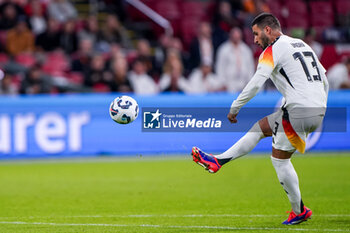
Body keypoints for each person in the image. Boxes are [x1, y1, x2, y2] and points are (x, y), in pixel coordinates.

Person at [192, 13, 329, 225]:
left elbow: (256, 83)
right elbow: (324, 78)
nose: (255, 39)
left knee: (280, 160)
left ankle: (299, 210)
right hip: (317, 109)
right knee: (261, 127)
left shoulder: (271, 50)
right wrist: (319, 105)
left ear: (268, 30)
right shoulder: (300, 43)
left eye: (256, 34)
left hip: (299, 110)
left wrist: (235, 108)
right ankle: (218, 160)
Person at [215, 27, 255, 93]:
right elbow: (220, 67)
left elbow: (250, 67)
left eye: (238, 36)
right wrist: (222, 83)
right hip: (229, 83)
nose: (236, 38)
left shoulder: (246, 50)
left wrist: (249, 82)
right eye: (235, 36)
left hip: (243, 82)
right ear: (231, 36)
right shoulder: (223, 49)